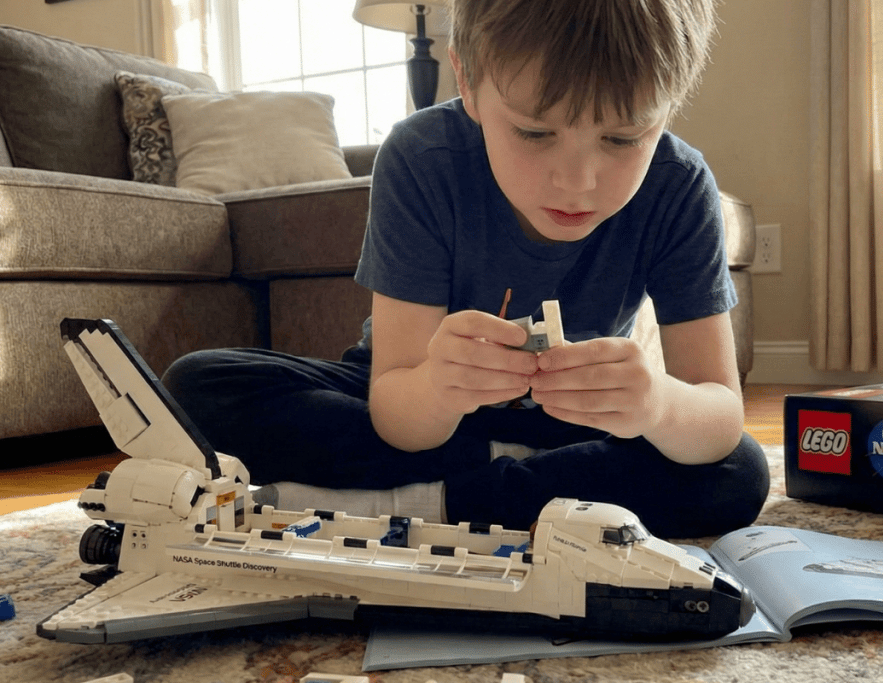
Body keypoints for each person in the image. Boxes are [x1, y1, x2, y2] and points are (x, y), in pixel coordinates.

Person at [162, 0, 769, 539]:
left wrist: (658, 405)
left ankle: (430, 501)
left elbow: (718, 413)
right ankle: (517, 493)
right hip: (411, 402)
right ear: (468, 83)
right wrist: (435, 387)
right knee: (199, 387)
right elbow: (399, 412)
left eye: (624, 139)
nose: (578, 182)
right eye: (534, 132)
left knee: (738, 469)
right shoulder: (423, 157)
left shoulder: (678, 185)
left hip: (566, 421)